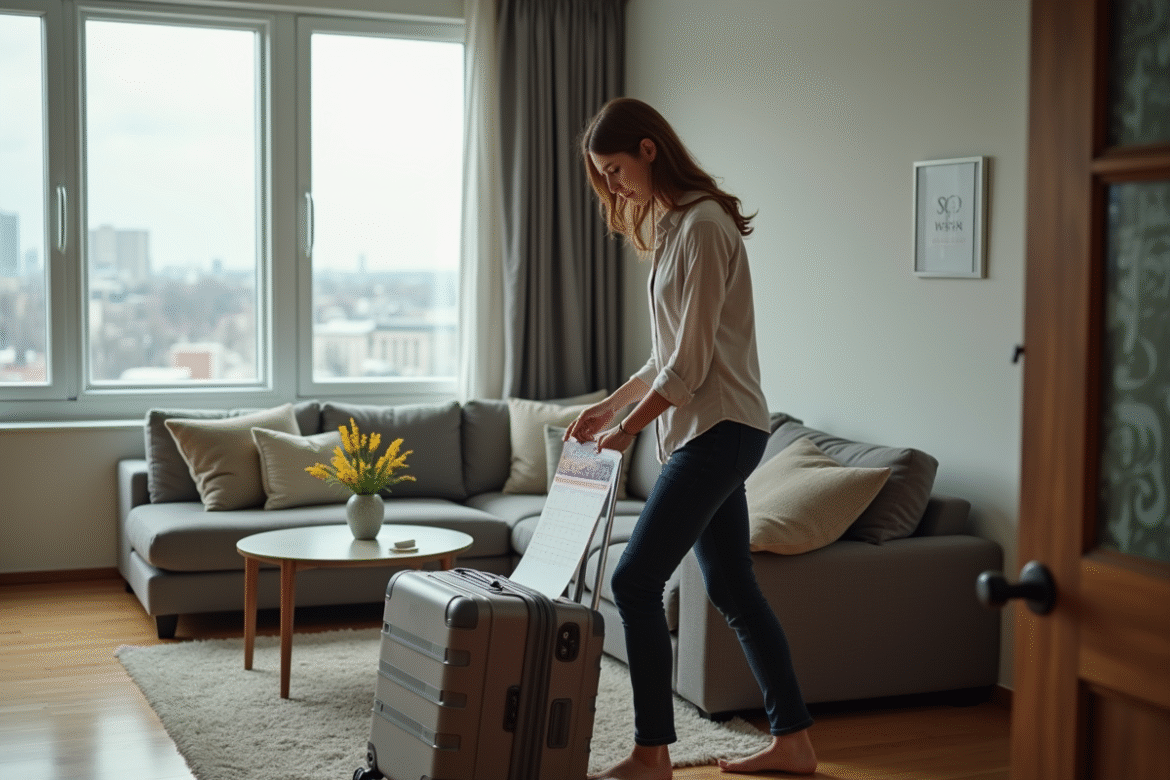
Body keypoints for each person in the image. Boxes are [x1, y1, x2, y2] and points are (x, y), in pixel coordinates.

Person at [564, 98, 818, 779]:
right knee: (733, 588)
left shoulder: (704, 228)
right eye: (603, 177)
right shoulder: (675, 229)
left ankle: (653, 753)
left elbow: (690, 367)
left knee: (634, 579)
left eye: (615, 169)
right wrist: (605, 407)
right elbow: (662, 358)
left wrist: (625, 432)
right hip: (704, 434)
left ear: (650, 150)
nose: (614, 188)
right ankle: (794, 742)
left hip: (721, 431)